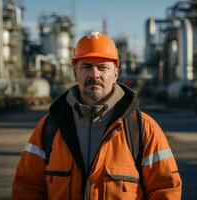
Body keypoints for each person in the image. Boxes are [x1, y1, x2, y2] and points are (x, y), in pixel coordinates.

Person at [12, 32, 182, 199]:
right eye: (86, 67)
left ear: (115, 73)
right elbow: (27, 187)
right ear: (75, 72)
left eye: (102, 67)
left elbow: (166, 189)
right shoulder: (49, 127)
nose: (94, 74)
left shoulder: (143, 129)